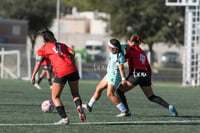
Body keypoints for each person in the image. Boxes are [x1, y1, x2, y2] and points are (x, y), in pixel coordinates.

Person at [31, 28, 86, 125]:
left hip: (61, 72)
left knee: (55, 97)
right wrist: (69, 60)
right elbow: (73, 53)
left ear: (44, 40)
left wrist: (33, 75)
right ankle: (79, 107)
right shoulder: (62, 45)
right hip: (73, 69)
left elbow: (39, 62)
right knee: (75, 94)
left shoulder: (43, 49)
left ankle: (64, 118)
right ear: (53, 37)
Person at [116, 36, 178, 117]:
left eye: (128, 42)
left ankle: (126, 111)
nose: (127, 44)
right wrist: (150, 80)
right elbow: (148, 67)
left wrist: (122, 50)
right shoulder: (142, 52)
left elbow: (122, 58)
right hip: (145, 74)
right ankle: (169, 106)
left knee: (119, 91)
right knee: (151, 96)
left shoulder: (131, 50)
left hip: (136, 74)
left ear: (133, 43)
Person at [83, 39, 130, 117]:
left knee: (110, 94)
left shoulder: (119, 56)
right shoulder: (120, 46)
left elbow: (121, 69)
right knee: (98, 88)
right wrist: (127, 55)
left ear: (114, 48)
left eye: (109, 47)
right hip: (109, 74)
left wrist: (123, 79)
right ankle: (89, 106)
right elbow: (127, 46)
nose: (108, 47)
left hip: (114, 77)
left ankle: (124, 111)